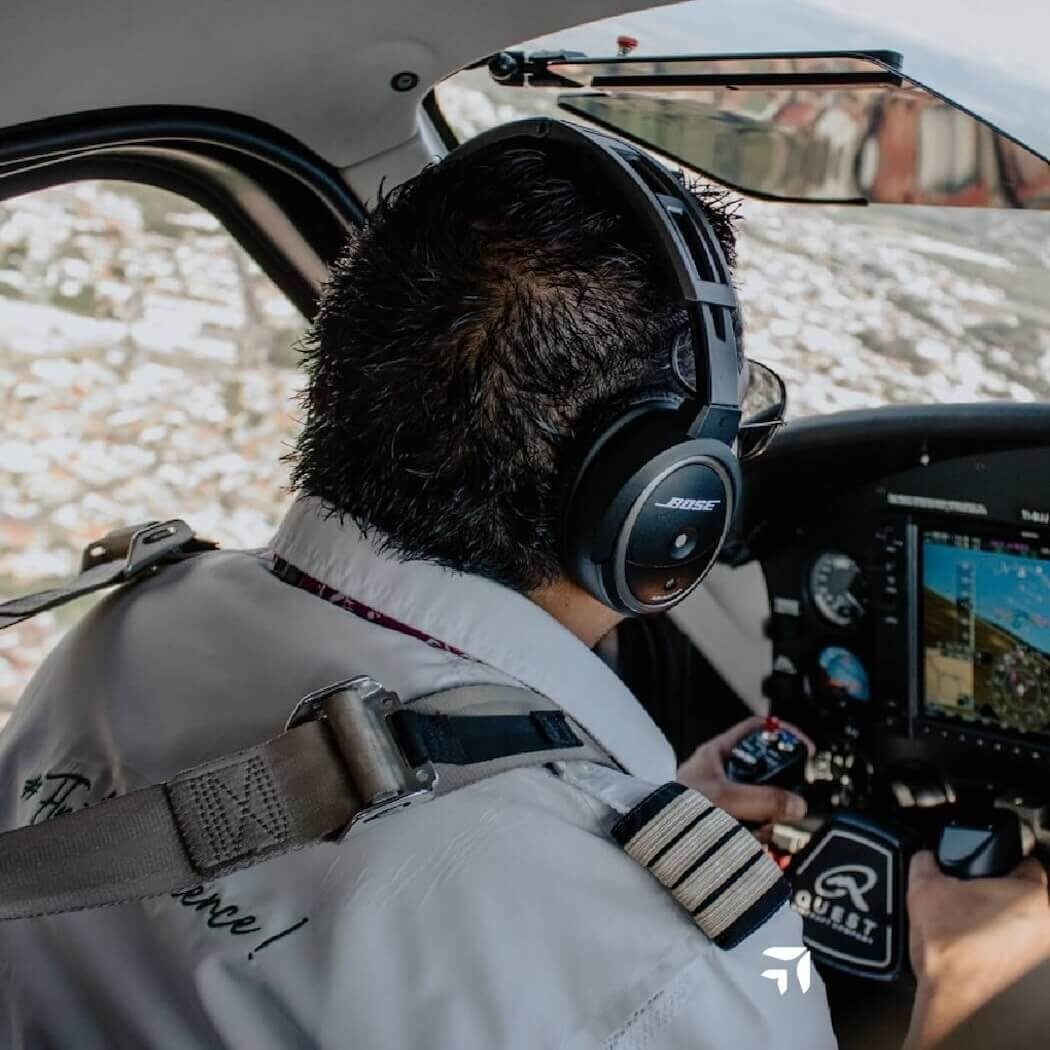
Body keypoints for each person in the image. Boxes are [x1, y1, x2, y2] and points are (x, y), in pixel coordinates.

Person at [0, 136, 1046, 1050]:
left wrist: (632, 822)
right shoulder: (662, 977)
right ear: (665, 503)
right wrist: (976, 1006)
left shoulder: (127, 622)